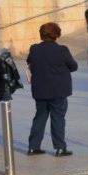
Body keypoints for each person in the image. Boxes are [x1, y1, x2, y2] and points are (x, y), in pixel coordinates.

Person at [25, 22, 76, 157]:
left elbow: (29, 61)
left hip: (40, 90)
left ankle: (33, 147)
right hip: (58, 90)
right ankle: (60, 148)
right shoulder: (62, 50)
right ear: (57, 35)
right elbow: (73, 66)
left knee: (40, 117)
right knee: (58, 118)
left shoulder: (34, 49)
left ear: (41, 35)